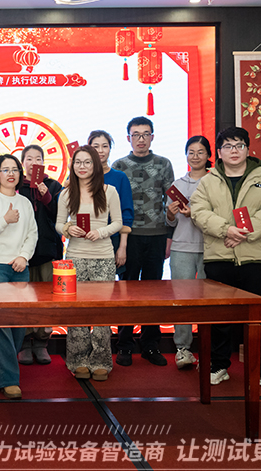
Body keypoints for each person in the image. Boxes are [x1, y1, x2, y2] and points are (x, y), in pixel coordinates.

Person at [190, 127, 261, 392]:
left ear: (247, 149)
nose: (234, 150)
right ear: (219, 153)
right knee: (219, 318)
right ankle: (218, 366)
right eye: (228, 146)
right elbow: (199, 211)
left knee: (258, 318)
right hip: (219, 257)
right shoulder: (208, 181)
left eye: (239, 145)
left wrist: (243, 233)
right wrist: (226, 230)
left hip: (254, 259)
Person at [111, 117, 174, 367]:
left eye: (145, 134)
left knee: (153, 293)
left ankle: (150, 345)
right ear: (128, 138)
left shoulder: (163, 164)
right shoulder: (119, 166)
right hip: (129, 237)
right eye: (135, 134)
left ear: (152, 137)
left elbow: (171, 202)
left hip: (156, 236)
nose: (140, 139)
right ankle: (124, 345)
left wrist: (169, 236)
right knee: (126, 292)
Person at [56, 146, 122, 381]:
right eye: (77, 162)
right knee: (76, 312)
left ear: (95, 165)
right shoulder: (66, 193)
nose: (82, 167)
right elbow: (58, 224)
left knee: (102, 311)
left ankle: (101, 360)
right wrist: (68, 229)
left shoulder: (109, 191)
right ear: (72, 166)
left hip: (103, 257)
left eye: (87, 162)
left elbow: (118, 222)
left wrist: (101, 232)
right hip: (75, 258)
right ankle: (78, 360)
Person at [0, 154, 38, 399]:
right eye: (5, 170)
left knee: (19, 324)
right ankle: (9, 379)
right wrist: (4, 220)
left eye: (15, 169)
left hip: (20, 266)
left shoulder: (25, 202)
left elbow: (32, 233)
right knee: (0, 323)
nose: (11, 174)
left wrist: (24, 256)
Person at [166, 136, 211, 369]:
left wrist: (194, 213)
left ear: (208, 155)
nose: (195, 156)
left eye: (200, 152)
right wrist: (171, 214)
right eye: (191, 152)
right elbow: (171, 223)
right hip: (181, 247)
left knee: (208, 302)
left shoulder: (215, 182)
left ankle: (208, 350)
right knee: (181, 300)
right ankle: (183, 349)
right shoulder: (177, 185)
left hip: (209, 248)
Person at [16, 144, 63, 365]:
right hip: (21, 252)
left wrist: (47, 197)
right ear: (22, 163)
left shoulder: (53, 185)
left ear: (43, 163)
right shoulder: (16, 186)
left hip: (47, 249)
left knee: (46, 298)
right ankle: (25, 342)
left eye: (38, 159)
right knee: (24, 298)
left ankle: (42, 342)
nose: (33, 163)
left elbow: (61, 217)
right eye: (29, 159)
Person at [88, 130, 134, 279]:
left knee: (110, 287)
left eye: (105, 146)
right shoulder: (79, 176)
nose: (100, 151)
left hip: (111, 239)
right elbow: (64, 204)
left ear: (110, 148)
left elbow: (126, 213)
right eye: (96, 146)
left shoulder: (119, 177)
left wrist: (122, 247)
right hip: (85, 239)